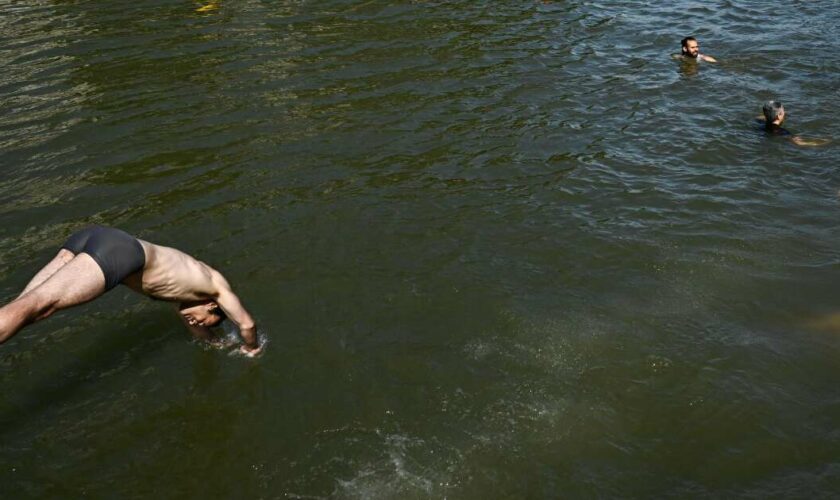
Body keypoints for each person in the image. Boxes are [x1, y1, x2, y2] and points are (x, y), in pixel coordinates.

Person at [0, 225, 262, 356]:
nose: (195, 321)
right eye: (208, 321)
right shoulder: (217, 288)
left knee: (30, 309)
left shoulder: (184, 292)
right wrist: (250, 350)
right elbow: (248, 325)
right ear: (212, 305)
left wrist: (217, 344)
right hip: (120, 252)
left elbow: (194, 328)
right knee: (36, 305)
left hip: (97, 236)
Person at [760, 100, 828, 147]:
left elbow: (761, 117)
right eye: (783, 111)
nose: (785, 112)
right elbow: (800, 143)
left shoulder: (761, 124)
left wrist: (769, 115)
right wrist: (822, 142)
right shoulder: (783, 132)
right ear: (779, 116)